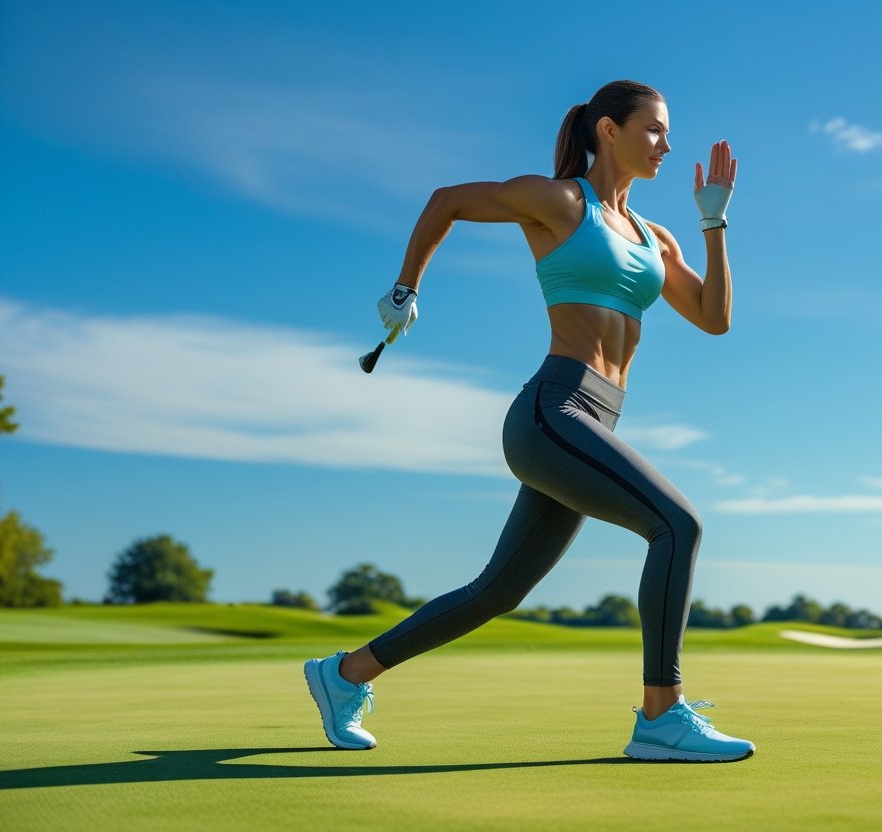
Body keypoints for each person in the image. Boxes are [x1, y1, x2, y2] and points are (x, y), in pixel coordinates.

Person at [305, 80, 754, 762]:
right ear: (608, 130)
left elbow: (715, 320)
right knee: (677, 524)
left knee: (499, 590)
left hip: (595, 424)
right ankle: (661, 716)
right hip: (554, 410)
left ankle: (344, 675)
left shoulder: (654, 237)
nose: (668, 144)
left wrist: (714, 223)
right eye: (655, 130)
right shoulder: (562, 202)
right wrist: (406, 288)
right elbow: (446, 202)